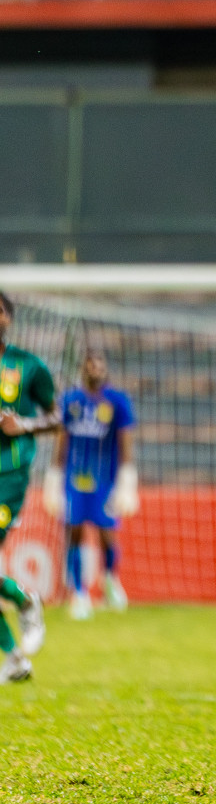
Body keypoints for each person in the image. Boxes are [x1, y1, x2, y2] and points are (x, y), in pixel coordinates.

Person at [44, 350, 139, 620]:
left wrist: (127, 480)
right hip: (75, 480)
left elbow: (125, 442)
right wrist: (54, 478)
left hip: (105, 481)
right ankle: (79, 594)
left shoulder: (118, 402)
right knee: (73, 532)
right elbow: (62, 441)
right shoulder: (70, 401)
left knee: (107, 533)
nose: (95, 369)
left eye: (99, 365)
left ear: (105, 369)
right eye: (90, 365)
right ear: (83, 369)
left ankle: (110, 579)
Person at [0, 291, 53, 681]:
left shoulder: (28, 365)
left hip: (8, 475)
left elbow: (57, 416)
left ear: (8, 318)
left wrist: (24, 426)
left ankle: (24, 601)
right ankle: (16, 655)